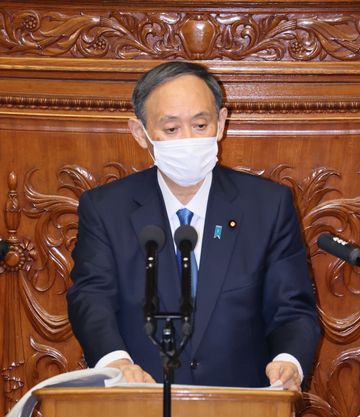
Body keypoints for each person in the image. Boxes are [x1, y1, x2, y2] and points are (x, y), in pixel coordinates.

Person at [67, 61, 320, 391]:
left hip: (241, 411)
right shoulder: (105, 208)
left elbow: (292, 308)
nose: (188, 139)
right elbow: (91, 296)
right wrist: (115, 362)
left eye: (201, 125)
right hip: (138, 406)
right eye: (171, 130)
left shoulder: (267, 205)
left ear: (221, 123)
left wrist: (289, 362)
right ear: (140, 133)